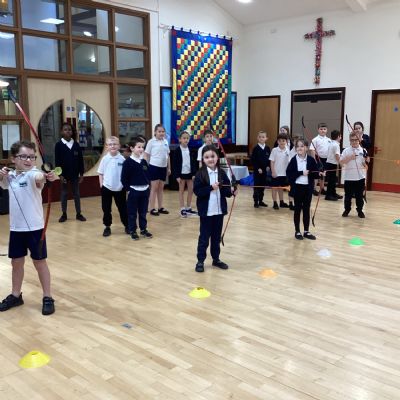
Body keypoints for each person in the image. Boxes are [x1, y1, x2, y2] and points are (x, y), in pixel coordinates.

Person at [0, 141, 56, 315]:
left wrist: (47, 176)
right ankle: (16, 295)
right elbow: (3, 183)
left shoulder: (34, 173)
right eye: (24, 156)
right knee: (16, 262)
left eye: (32, 157)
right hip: (16, 228)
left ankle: (47, 296)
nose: (28, 160)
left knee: (39, 262)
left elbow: (39, 178)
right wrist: (2, 175)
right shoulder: (10, 175)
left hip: (35, 228)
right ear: (13, 158)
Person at [193, 145, 235, 273]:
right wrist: (211, 188)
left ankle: (216, 259)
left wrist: (232, 191)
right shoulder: (200, 174)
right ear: (203, 159)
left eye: (212, 156)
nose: (210, 159)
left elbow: (226, 191)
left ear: (217, 157)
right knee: (204, 238)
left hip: (218, 211)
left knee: (216, 238)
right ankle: (200, 261)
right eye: (207, 157)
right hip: (206, 212)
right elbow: (198, 191)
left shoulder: (222, 173)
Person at [286, 138, 322, 240]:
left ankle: (306, 231)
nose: (300, 148)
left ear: (306, 148)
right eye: (297, 146)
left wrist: (320, 173)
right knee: (297, 209)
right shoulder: (293, 160)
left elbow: (314, 173)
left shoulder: (310, 160)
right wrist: (301, 173)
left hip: (308, 188)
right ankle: (297, 231)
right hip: (297, 188)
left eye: (302, 146)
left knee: (306, 209)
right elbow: (289, 174)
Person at [121, 138, 153, 240]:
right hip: (133, 191)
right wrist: (129, 189)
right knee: (132, 213)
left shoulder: (143, 162)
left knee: (143, 212)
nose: (141, 149)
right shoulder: (127, 163)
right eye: (139, 147)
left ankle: (143, 229)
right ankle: (133, 231)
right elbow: (124, 178)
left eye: (142, 147)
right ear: (132, 148)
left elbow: (147, 175)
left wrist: (148, 186)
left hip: (145, 191)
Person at [55, 122, 86, 222]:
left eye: (69, 130)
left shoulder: (76, 145)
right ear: (61, 132)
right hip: (64, 175)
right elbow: (57, 162)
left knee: (76, 194)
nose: (67, 131)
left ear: (72, 132)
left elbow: (80, 161)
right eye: (65, 130)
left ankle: (78, 213)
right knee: (64, 194)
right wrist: (60, 175)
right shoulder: (58, 145)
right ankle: (64, 214)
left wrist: (81, 174)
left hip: (75, 174)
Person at [97, 136, 128, 237]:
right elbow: (100, 173)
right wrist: (101, 185)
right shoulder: (105, 159)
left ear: (119, 146)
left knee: (123, 208)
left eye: (115, 144)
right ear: (107, 147)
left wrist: (124, 185)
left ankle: (127, 225)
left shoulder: (122, 159)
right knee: (106, 209)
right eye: (110, 144)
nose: (112, 146)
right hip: (107, 188)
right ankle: (107, 226)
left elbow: (125, 174)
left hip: (120, 188)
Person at [144, 124, 171, 216]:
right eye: (159, 131)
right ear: (155, 132)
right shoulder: (151, 142)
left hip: (163, 168)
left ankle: (160, 207)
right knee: (154, 188)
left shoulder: (165, 142)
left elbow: (168, 156)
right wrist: (145, 167)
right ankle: (151, 208)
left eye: (163, 131)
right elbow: (146, 155)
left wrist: (169, 168)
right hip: (154, 167)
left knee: (161, 188)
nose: (161, 133)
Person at [340, 132, 367, 218]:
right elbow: (341, 162)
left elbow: (365, 164)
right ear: (349, 141)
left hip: (360, 178)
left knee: (359, 196)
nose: (354, 142)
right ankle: (347, 209)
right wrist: (350, 158)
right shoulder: (346, 151)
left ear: (359, 140)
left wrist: (366, 162)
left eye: (356, 140)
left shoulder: (363, 150)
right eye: (352, 140)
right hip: (349, 178)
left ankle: (360, 210)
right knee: (348, 196)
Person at [172, 131, 198, 217]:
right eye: (184, 138)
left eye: (187, 138)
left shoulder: (191, 150)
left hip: (189, 174)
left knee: (191, 190)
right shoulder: (177, 151)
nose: (186, 140)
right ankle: (182, 208)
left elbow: (193, 163)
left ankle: (188, 207)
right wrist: (177, 176)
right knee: (181, 191)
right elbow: (175, 164)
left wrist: (194, 173)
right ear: (180, 139)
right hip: (181, 174)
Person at [269, 133, 290, 209]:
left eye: (283, 141)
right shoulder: (274, 150)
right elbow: (272, 162)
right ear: (277, 141)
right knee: (274, 188)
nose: (281, 142)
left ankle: (281, 202)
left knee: (281, 188)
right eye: (280, 141)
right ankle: (275, 202)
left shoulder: (288, 150)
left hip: (284, 174)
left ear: (286, 141)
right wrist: (273, 172)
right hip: (276, 173)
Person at [309, 122, 331, 196]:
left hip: (326, 159)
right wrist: (314, 160)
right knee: (316, 174)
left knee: (323, 174)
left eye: (324, 129)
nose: (323, 130)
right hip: (317, 159)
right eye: (321, 129)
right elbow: (312, 150)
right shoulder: (315, 139)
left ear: (327, 130)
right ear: (318, 130)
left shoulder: (329, 140)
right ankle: (314, 189)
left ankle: (322, 188)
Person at [250, 130, 270, 208]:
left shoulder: (267, 148)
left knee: (262, 186)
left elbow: (269, 159)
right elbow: (253, 160)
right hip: (257, 171)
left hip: (264, 171)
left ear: (266, 138)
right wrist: (257, 168)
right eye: (260, 137)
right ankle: (256, 201)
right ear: (257, 138)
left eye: (263, 137)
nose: (261, 138)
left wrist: (268, 166)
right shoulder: (255, 148)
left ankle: (261, 200)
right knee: (257, 186)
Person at [325, 130, 343, 201]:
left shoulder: (331, 143)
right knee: (331, 181)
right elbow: (337, 155)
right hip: (331, 164)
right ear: (338, 136)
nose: (341, 137)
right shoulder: (336, 145)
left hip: (330, 163)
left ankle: (333, 193)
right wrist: (341, 163)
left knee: (332, 180)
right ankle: (328, 195)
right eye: (340, 136)